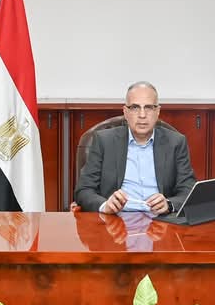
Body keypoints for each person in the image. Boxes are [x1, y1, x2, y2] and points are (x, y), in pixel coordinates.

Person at [74, 81, 196, 215]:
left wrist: (169, 204)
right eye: (135, 107)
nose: (142, 115)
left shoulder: (176, 142)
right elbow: (84, 190)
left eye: (149, 107)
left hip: (161, 220)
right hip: (115, 219)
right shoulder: (104, 141)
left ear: (157, 111)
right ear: (125, 112)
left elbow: (188, 190)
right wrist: (105, 205)